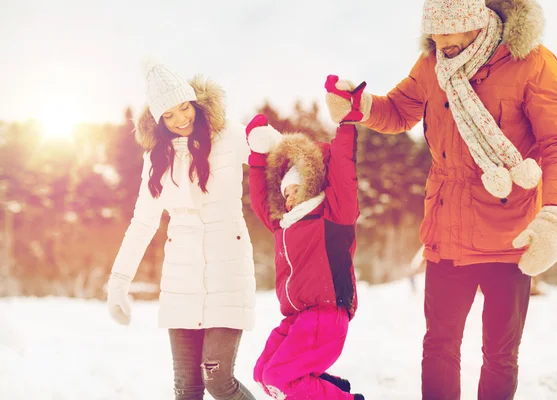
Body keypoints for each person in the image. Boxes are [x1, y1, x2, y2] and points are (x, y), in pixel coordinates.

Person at [324, 0, 557, 399]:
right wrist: (360, 107)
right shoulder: (433, 63)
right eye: (433, 32)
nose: (440, 42)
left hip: (509, 236)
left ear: (476, 23)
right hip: (447, 235)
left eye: (449, 32)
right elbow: (398, 111)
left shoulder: (531, 63)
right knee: (439, 346)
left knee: (500, 353)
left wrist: (555, 217)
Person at [106, 59, 257, 400]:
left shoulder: (231, 134)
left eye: (184, 107)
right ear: (158, 120)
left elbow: (275, 161)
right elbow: (142, 223)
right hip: (181, 279)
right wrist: (118, 283)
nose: (180, 120)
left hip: (227, 273)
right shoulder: (156, 157)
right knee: (186, 389)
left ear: (195, 102)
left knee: (218, 380)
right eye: (169, 115)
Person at [244, 80, 367, 400]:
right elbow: (261, 201)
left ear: (311, 186)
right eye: (285, 194)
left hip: (326, 314)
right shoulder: (284, 225)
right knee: (263, 373)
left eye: (295, 190)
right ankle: (331, 389)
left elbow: (343, 169)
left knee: (280, 378)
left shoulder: (333, 216)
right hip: (297, 317)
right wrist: (258, 159)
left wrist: (347, 124)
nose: (288, 200)